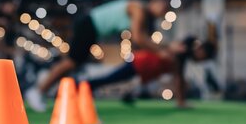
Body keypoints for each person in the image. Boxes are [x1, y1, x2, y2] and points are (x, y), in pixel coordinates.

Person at [25, 0, 172, 112]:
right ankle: (37, 91)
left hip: (92, 28)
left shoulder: (144, 15)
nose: (163, 12)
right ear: (156, 2)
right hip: (88, 24)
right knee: (71, 62)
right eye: (164, 8)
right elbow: (139, 38)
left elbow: (141, 40)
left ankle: (45, 92)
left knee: (73, 63)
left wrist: (162, 48)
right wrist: (163, 50)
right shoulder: (138, 8)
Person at [85, 36, 217, 108]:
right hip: (142, 63)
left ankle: (126, 95)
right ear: (202, 51)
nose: (201, 60)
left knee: (116, 80)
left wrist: (181, 101)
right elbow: (178, 78)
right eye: (203, 57)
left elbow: (179, 78)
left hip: (148, 69)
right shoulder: (184, 48)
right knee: (111, 79)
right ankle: (82, 86)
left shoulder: (184, 56)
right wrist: (181, 102)